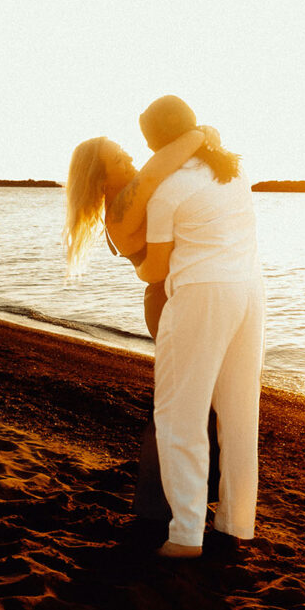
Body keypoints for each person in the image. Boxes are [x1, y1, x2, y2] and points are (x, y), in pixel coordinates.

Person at [63, 122, 229, 524]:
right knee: (177, 408)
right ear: (101, 178)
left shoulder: (137, 194)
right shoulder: (122, 206)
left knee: (204, 405)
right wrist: (198, 136)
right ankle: (156, 506)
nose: (132, 159)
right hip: (171, 303)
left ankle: (192, 494)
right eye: (120, 159)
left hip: (184, 297)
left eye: (126, 152)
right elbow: (156, 171)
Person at [135, 95, 264, 558]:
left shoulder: (168, 190)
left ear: (158, 141)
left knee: (178, 415)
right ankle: (236, 524)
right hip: (249, 291)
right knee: (239, 414)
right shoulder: (235, 172)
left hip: (201, 299)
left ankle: (187, 534)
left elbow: (154, 270)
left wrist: (136, 264)